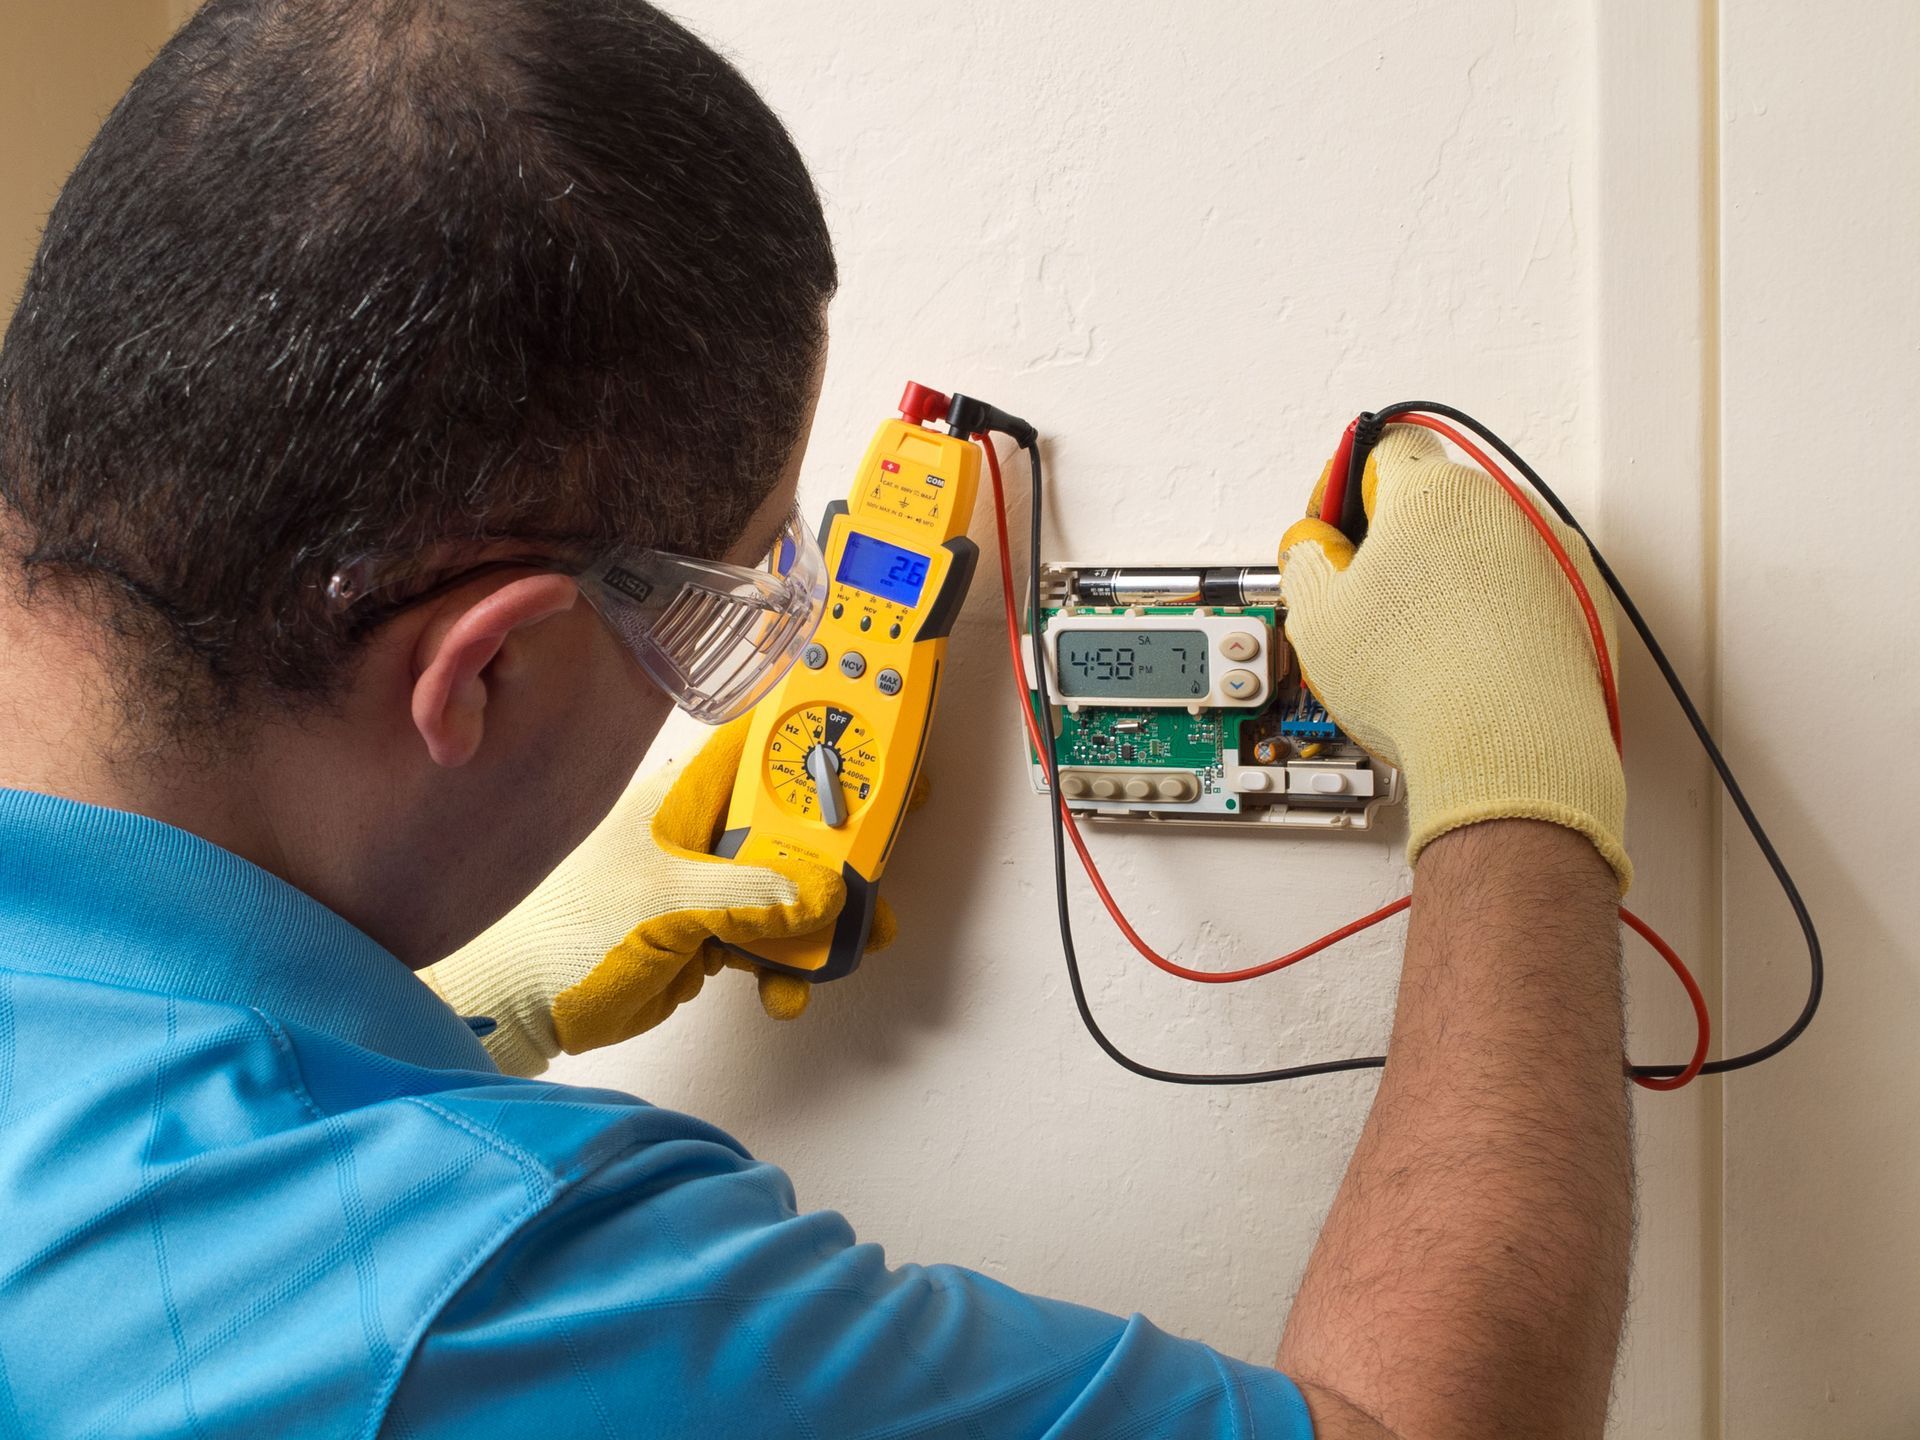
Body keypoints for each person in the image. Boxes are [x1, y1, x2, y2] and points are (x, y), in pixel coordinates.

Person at [0, 2, 1634, 1436]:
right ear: (482, 673)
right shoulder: (483, 1280)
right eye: (719, 615)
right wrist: (1515, 784)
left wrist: (435, 1015)